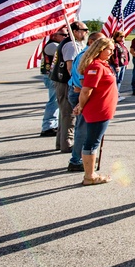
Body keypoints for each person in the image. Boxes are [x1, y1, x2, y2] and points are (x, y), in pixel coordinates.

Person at [72, 37, 119, 186]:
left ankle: (90, 173)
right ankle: (89, 176)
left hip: (103, 109)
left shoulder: (102, 65)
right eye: (109, 49)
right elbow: (86, 90)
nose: (111, 52)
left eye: (112, 49)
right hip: (98, 110)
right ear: (99, 50)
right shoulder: (96, 66)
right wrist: (80, 105)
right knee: (92, 142)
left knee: (93, 141)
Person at [67, 31, 105, 172]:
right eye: (100, 44)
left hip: (81, 92)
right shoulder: (85, 57)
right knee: (83, 129)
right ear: (91, 43)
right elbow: (84, 82)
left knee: (83, 128)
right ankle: (76, 159)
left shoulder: (90, 56)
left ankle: (81, 157)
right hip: (81, 94)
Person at [50, 22, 89, 153]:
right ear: (75, 31)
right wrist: (78, 83)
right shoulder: (71, 45)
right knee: (69, 114)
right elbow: (70, 67)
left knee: (64, 113)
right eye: (84, 30)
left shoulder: (70, 43)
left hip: (62, 81)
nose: (86, 32)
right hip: (66, 82)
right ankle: (67, 144)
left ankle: (61, 142)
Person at [39, 29, 65, 137]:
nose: (66, 36)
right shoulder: (53, 45)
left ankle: (53, 124)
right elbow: (63, 51)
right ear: (54, 35)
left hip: (53, 76)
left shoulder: (55, 44)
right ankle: (48, 126)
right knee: (53, 101)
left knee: (56, 101)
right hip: (51, 76)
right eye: (63, 35)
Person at [109, 31, 130, 98]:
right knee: (116, 80)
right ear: (116, 37)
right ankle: (114, 94)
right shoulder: (115, 45)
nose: (122, 38)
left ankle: (117, 92)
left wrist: (127, 63)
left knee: (120, 80)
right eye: (120, 36)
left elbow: (126, 54)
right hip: (117, 65)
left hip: (123, 64)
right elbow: (115, 56)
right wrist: (116, 65)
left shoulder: (122, 44)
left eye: (123, 36)